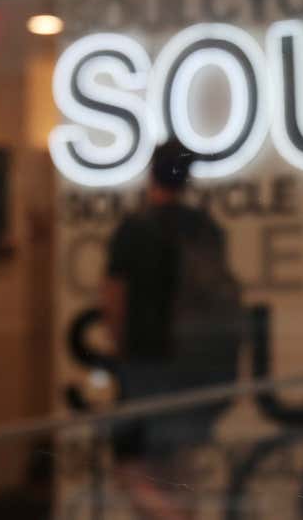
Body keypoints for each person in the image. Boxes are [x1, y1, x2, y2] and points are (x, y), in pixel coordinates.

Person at [102, 140, 242, 519]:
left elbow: (114, 302)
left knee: (132, 469)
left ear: (152, 174)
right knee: (182, 473)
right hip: (196, 367)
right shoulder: (207, 229)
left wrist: (121, 354)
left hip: (147, 364)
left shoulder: (133, 230)